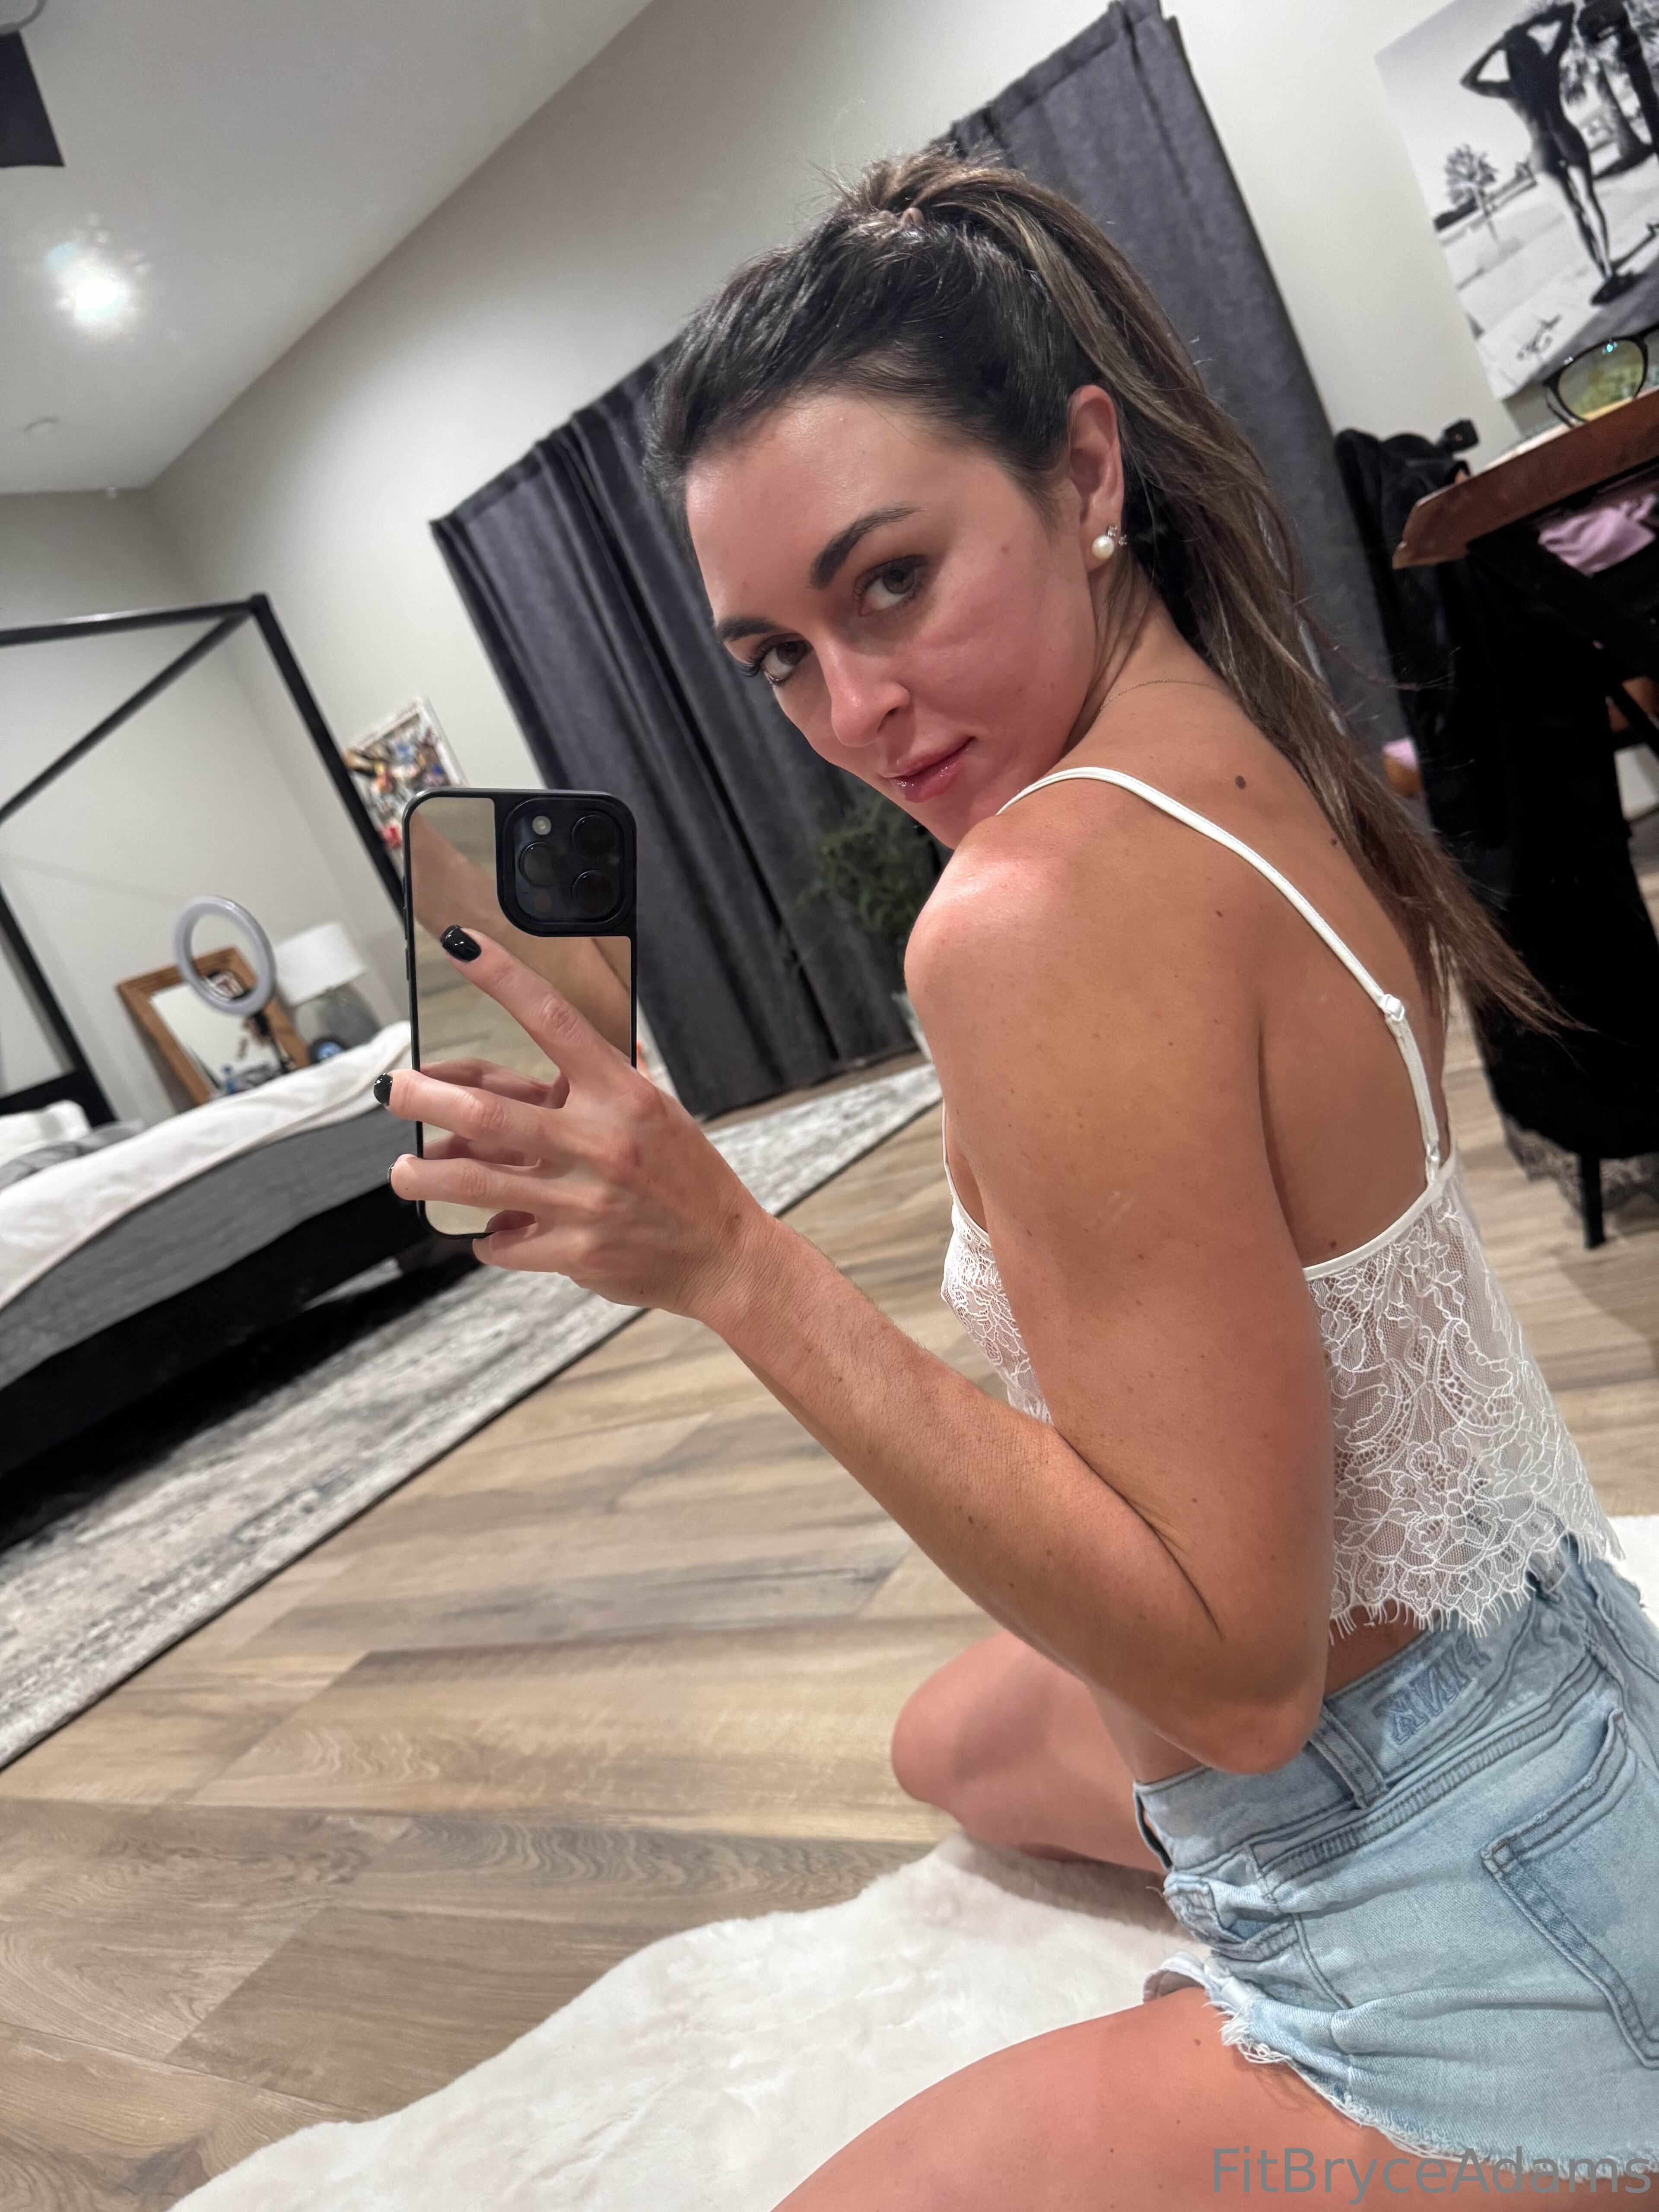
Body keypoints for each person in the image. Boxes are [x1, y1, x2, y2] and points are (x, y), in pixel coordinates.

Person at [378, 154, 1659, 2202]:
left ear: (1084, 469)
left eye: (890, 581)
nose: (853, 712)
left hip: (1494, 1948)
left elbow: (1236, 1684)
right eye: (776, 655)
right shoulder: (1257, 736)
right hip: (1566, 1678)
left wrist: (733, 1259)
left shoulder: (1033, 912)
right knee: (949, 1740)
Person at [1462, 4, 1616, 283]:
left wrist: (1493, 49)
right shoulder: (1548, 67)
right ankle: (1609, 264)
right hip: (1566, 136)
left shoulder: (1509, 89)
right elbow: (1568, 13)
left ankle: (1602, 275)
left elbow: (1468, 82)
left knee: (1572, 214)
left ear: (1510, 60)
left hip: (1541, 149)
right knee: (1589, 200)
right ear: (1532, 49)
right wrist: (1530, 25)